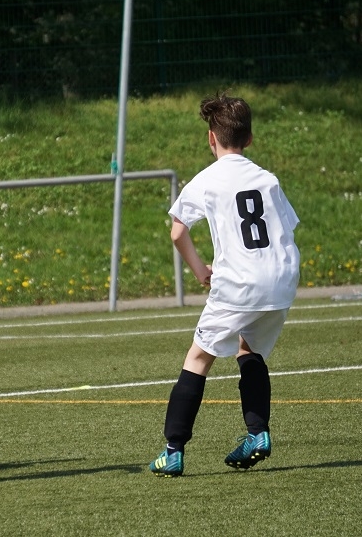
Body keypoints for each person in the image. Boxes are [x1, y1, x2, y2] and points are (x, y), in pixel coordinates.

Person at [149, 93, 300, 477]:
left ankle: (172, 450)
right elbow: (286, 227)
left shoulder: (207, 180)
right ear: (249, 138)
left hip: (239, 284)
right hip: (281, 279)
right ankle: (258, 434)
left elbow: (177, 232)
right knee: (249, 350)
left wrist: (201, 269)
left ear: (211, 138)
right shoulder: (267, 179)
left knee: (198, 359)